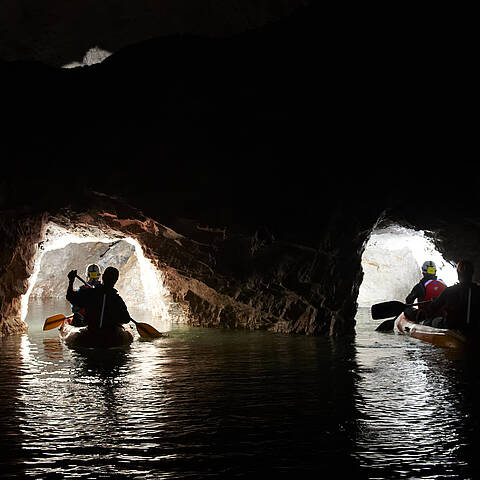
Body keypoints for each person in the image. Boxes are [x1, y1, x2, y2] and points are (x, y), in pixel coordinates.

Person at [421, 260, 480, 334]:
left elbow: (433, 308)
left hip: (452, 326)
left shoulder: (450, 290)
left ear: (458, 274)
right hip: (474, 327)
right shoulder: (477, 290)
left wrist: (434, 302)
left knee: (434, 321)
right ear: (472, 274)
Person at [66, 266, 132, 331]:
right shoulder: (117, 299)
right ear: (115, 281)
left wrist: (71, 281)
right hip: (109, 333)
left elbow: (70, 297)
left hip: (91, 331)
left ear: (102, 277)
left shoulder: (89, 293)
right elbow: (126, 319)